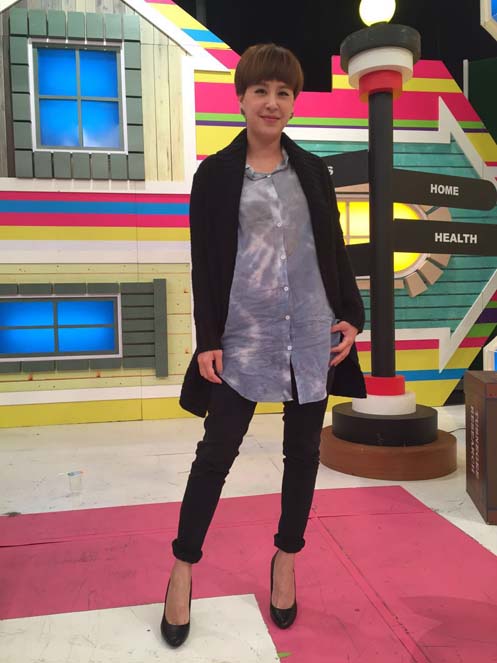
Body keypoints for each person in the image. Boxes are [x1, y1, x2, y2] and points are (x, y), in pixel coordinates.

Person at [161, 43, 366, 648]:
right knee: (214, 456)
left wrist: (352, 317)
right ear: (242, 99)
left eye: (283, 93)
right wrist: (208, 339)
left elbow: (333, 250)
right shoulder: (215, 175)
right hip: (244, 338)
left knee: (303, 454)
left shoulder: (314, 172)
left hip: (311, 333)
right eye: (261, 91)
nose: (272, 103)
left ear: (293, 103)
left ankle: (285, 559)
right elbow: (204, 263)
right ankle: (182, 568)